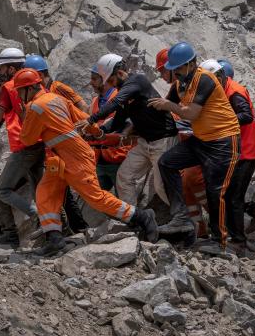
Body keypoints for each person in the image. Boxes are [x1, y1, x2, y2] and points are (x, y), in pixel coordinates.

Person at [15, 69, 158, 256]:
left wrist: (23, 115)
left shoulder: (35, 107)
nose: (18, 95)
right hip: (62, 159)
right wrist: (98, 132)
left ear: (29, 88)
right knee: (46, 193)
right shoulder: (56, 98)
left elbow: (27, 139)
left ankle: (141, 216)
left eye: (19, 91)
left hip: (74, 156)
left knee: (96, 198)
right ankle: (55, 239)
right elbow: (83, 119)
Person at [147, 42, 242, 248]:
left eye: (178, 69)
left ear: (190, 64)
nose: (176, 73)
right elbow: (163, 107)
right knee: (167, 163)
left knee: (216, 191)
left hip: (223, 140)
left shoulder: (204, 79)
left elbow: (190, 113)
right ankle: (180, 216)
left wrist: (169, 105)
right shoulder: (180, 85)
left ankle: (220, 241)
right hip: (202, 140)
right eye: (174, 70)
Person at [78, 52, 178, 207]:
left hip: (163, 140)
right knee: (124, 177)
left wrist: (90, 120)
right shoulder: (125, 93)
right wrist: (98, 132)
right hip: (145, 143)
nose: (109, 84)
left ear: (119, 73)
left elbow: (116, 102)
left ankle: (187, 221)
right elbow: (118, 120)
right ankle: (134, 219)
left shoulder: (137, 81)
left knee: (162, 186)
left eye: (110, 80)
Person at [0, 47, 44, 246]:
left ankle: (35, 218)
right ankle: (20, 231)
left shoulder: (10, 88)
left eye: (3, 68)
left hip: (23, 148)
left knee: (1, 191)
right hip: (39, 145)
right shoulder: (35, 86)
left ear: (13, 69)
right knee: (38, 190)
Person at [198, 59, 255, 250]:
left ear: (219, 76)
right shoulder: (222, 90)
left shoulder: (234, 92)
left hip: (246, 152)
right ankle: (228, 235)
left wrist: (221, 123)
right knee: (228, 195)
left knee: (233, 196)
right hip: (235, 151)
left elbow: (246, 115)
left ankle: (238, 241)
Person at [23, 54, 89, 232]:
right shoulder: (36, 97)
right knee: (60, 191)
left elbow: (82, 107)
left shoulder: (57, 88)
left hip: (69, 146)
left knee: (75, 189)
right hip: (53, 150)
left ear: (41, 75)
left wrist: (75, 129)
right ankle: (66, 228)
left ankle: (77, 227)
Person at [86, 65, 133, 192]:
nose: (91, 83)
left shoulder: (120, 97)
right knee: (99, 199)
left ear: (105, 79)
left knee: (125, 201)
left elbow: (127, 124)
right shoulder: (95, 101)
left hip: (119, 159)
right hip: (100, 160)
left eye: (95, 79)